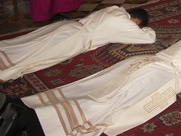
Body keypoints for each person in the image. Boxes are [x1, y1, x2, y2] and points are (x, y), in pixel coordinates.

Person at [0, 28, 181, 136]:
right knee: (109, 104)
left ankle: (26, 105)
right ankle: (30, 119)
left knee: (94, 86)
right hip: (159, 77)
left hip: (143, 61)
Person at [0, 6, 155, 81]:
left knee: (32, 43)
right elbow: (149, 38)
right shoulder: (124, 23)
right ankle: (5, 69)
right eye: (137, 25)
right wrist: (144, 29)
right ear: (136, 21)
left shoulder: (115, 9)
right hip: (76, 39)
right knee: (40, 55)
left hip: (69, 26)